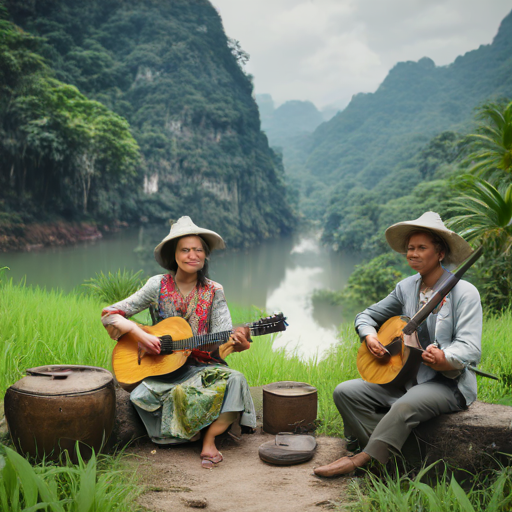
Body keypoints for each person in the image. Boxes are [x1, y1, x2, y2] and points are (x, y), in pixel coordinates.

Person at [314, 211, 482, 477]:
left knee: (405, 405)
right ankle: (398, 460)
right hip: (405, 378)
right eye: (410, 248)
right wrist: (369, 335)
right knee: (345, 391)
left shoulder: (464, 292)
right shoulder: (405, 287)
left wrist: (444, 357)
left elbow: (470, 347)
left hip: (447, 384)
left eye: (421, 248)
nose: (412, 254)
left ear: (440, 253)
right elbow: (366, 316)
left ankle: (361, 459)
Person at [101, 216, 256, 469]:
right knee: (142, 394)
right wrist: (141, 335)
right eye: (185, 250)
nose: (192, 255)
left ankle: (209, 438)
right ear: (175, 255)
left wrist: (237, 343)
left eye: (198, 250)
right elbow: (110, 315)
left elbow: (220, 337)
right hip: (163, 368)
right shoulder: (157, 285)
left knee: (236, 380)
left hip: (201, 366)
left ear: (205, 255)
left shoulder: (214, 290)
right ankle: (183, 434)